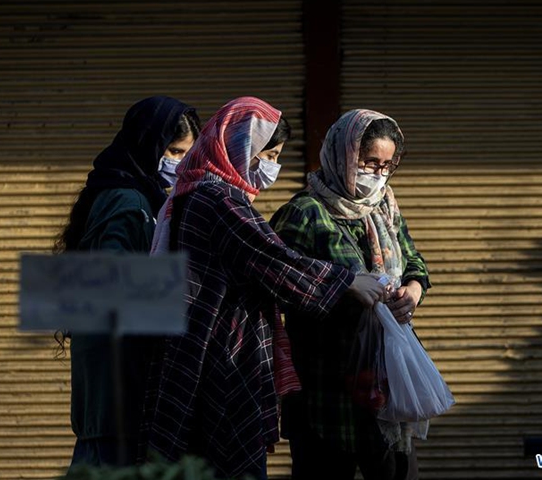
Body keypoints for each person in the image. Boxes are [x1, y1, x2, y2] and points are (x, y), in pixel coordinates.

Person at [139, 97, 387, 479]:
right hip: (221, 353)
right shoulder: (217, 199)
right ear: (240, 146)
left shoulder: (198, 192)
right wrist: (347, 281)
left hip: (207, 346)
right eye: (267, 155)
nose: (270, 166)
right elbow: (270, 258)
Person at [269, 109, 431, 480]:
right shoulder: (303, 214)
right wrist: (343, 287)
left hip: (384, 384)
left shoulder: (385, 208)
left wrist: (413, 289)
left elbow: (413, 261)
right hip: (324, 388)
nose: (378, 174)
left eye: (387, 165)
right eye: (369, 162)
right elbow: (277, 284)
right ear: (343, 154)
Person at [54, 96, 201, 469]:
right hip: (116, 378)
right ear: (148, 144)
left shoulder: (138, 196)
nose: (180, 163)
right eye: (174, 151)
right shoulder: (128, 201)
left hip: (115, 377)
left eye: (188, 154)